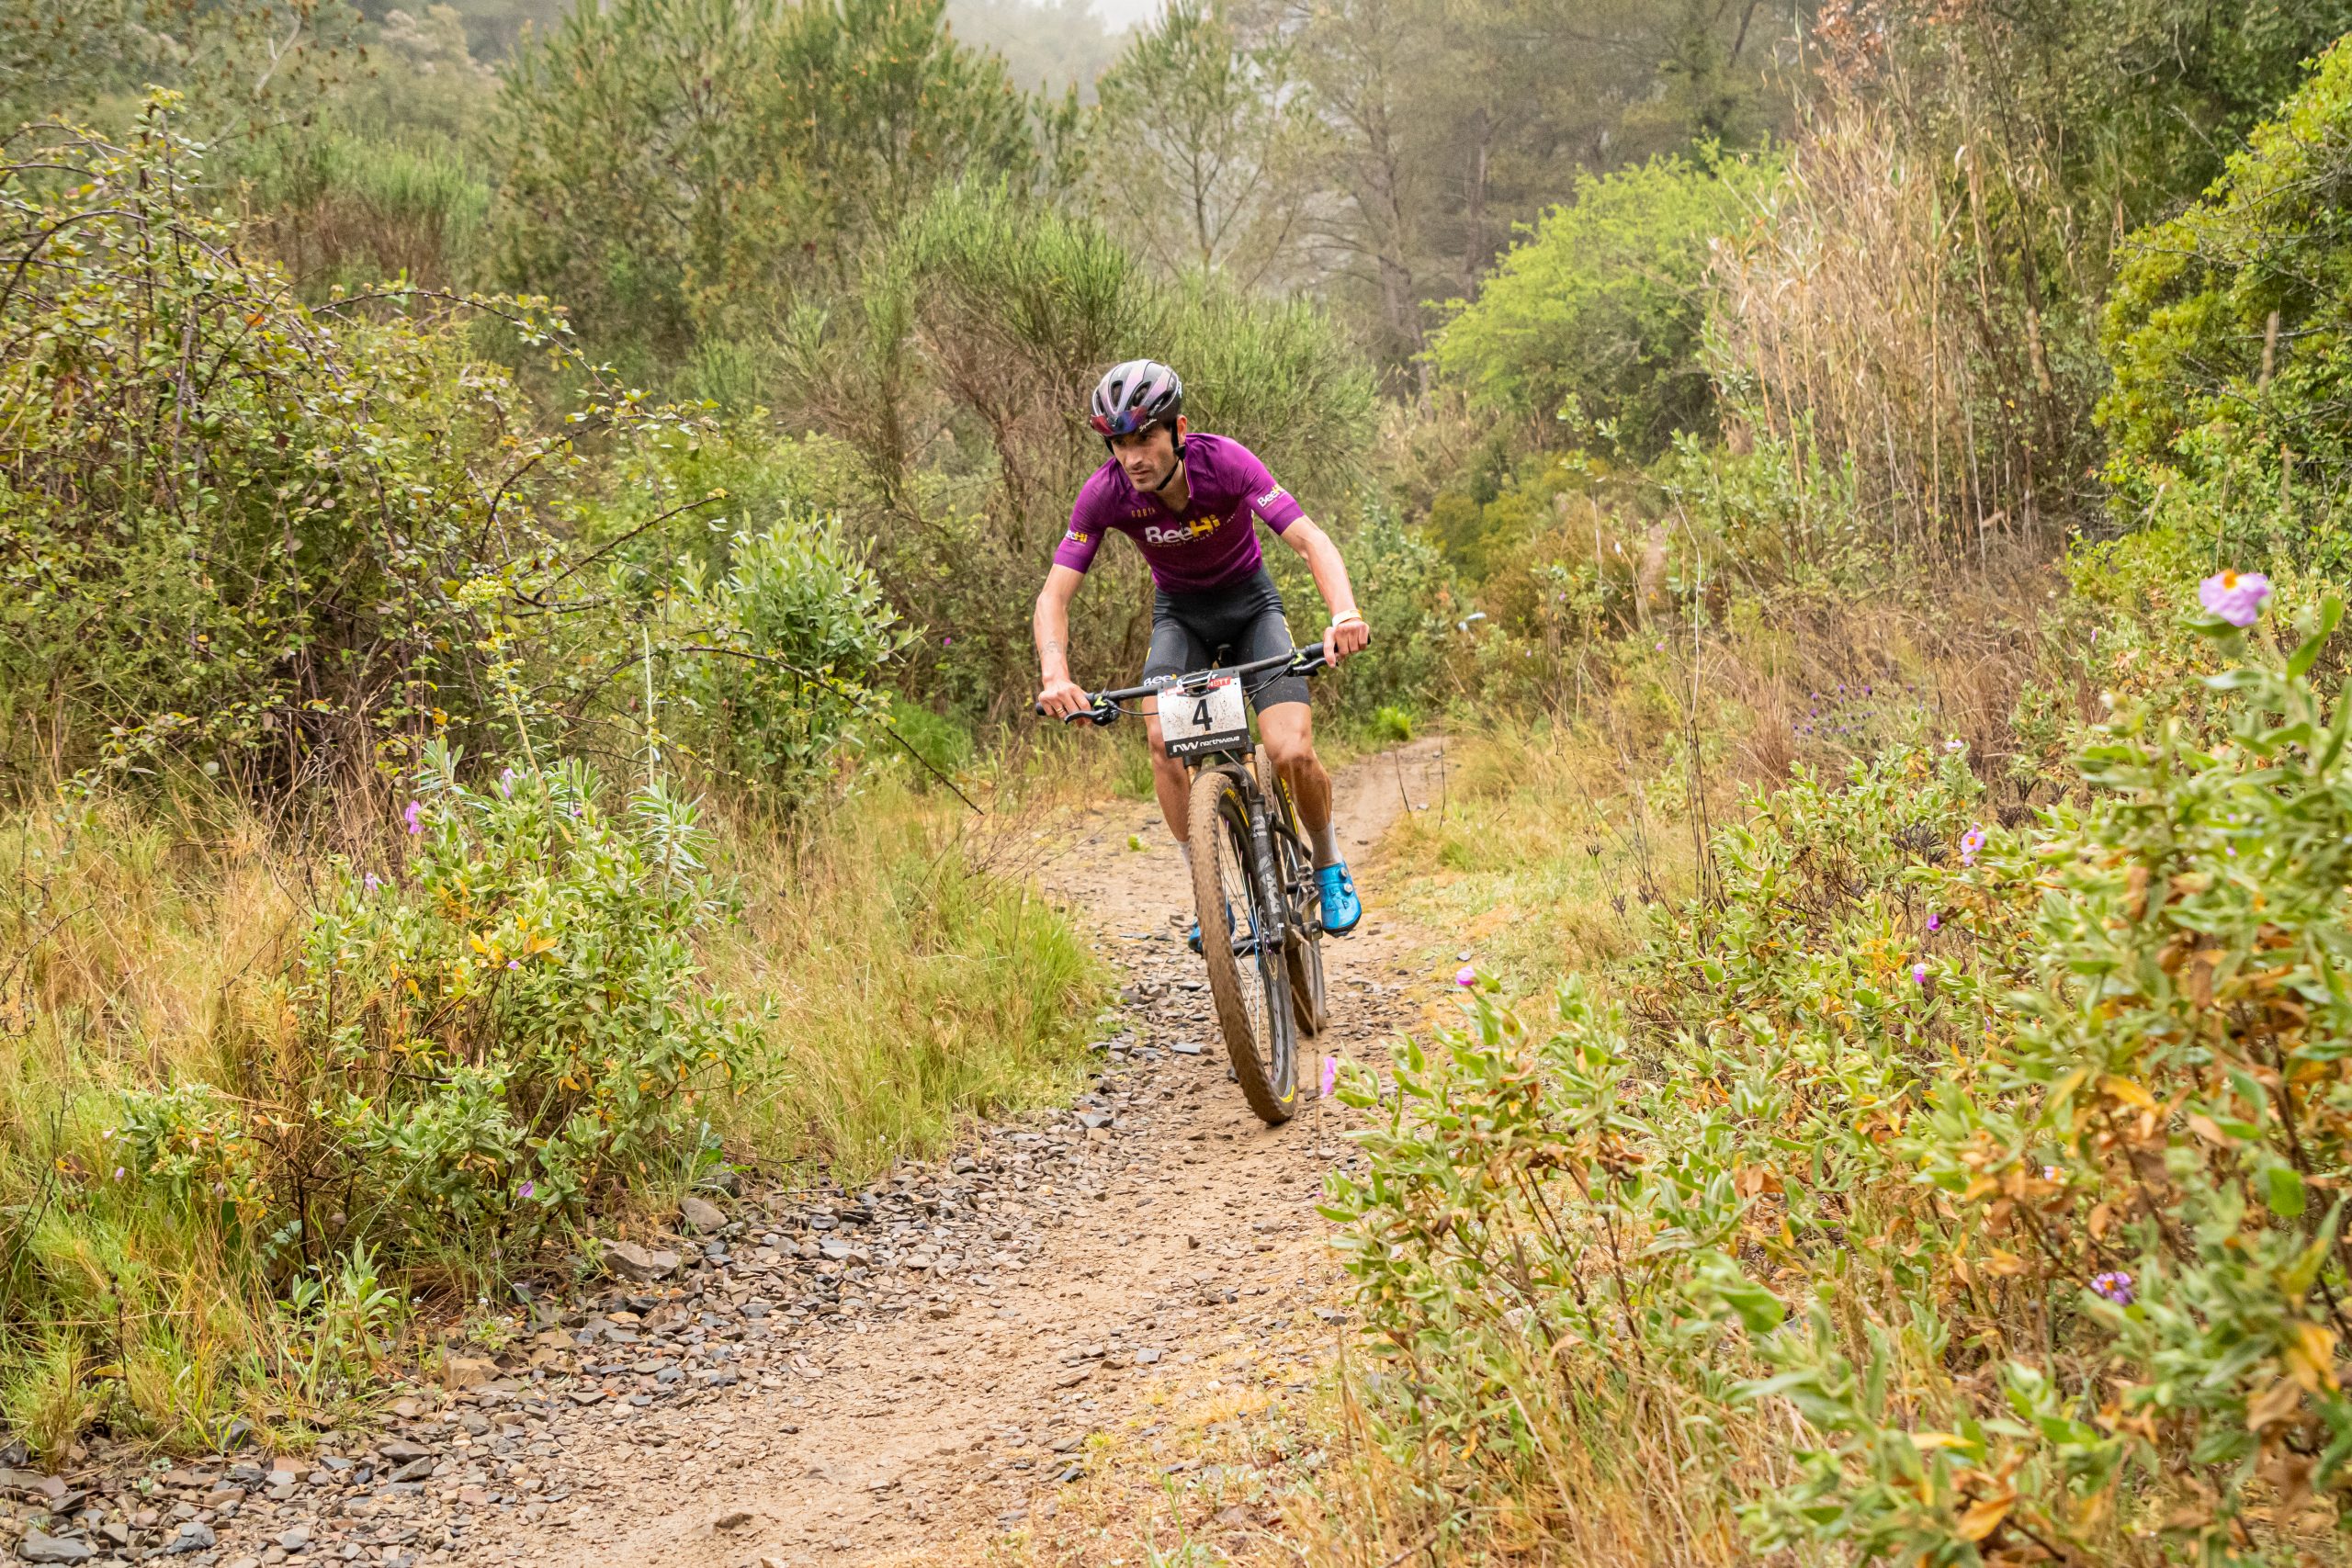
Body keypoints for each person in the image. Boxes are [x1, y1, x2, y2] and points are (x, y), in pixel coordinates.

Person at [1034, 358, 1370, 941]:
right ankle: (1207, 894)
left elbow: (1310, 540)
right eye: (1119, 443)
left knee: (1290, 751)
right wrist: (1056, 674)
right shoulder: (1105, 494)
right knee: (1162, 740)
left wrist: (1344, 613)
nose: (1132, 457)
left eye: (1144, 438)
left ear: (1178, 430)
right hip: (1181, 619)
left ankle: (1327, 861)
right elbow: (1054, 596)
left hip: (1252, 610)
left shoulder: (1227, 463)